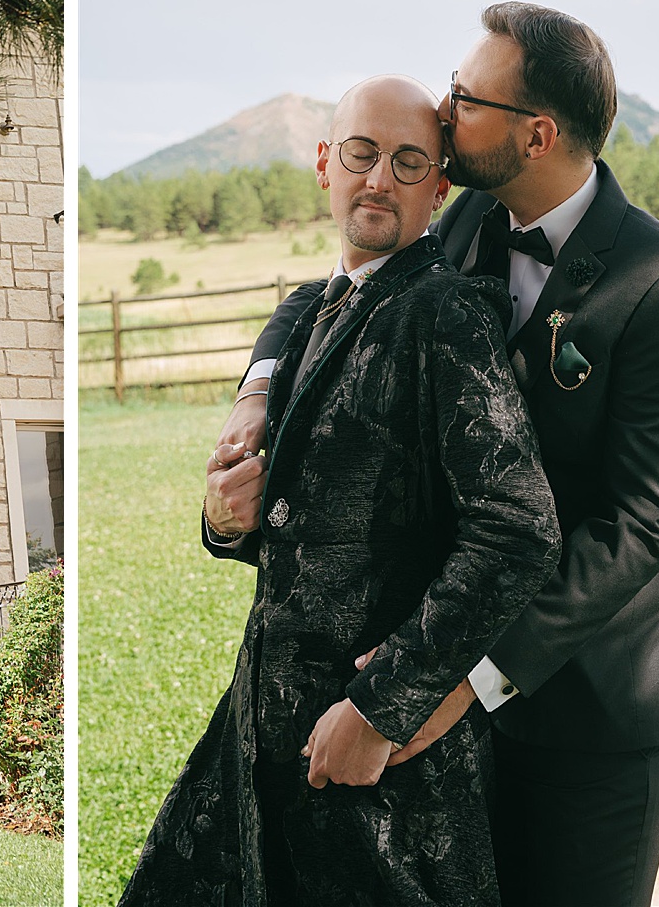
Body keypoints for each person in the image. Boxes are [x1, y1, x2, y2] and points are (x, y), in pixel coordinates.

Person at [226, 3, 659, 907]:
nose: (444, 117)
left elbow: (642, 525)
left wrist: (468, 678)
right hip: (449, 697)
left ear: (535, 134)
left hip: (595, 699)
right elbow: (328, 289)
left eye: (464, 97)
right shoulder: (462, 224)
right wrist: (259, 389)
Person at [121, 76, 562, 907]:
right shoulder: (317, 307)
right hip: (260, 736)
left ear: (439, 185)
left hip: (377, 776)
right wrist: (222, 519)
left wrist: (383, 704)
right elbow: (298, 513)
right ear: (326, 162)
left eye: (407, 162)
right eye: (361, 154)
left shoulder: (445, 314)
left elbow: (520, 528)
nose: (378, 180)